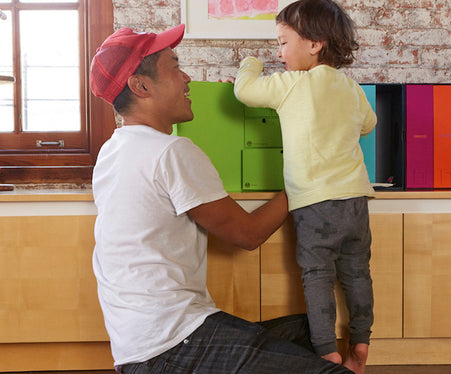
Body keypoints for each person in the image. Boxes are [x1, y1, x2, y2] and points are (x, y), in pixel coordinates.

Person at [89, 24, 353, 374]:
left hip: (138, 347)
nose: (186, 77)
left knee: (310, 331)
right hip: (172, 345)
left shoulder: (113, 150)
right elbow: (247, 234)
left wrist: (234, 100)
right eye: (174, 66)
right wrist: (306, 179)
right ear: (141, 86)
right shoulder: (170, 151)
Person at [234, 1, 377, 373]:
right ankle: (360, 340)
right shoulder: (350, 86)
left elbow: (245, 92)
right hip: (355, 201)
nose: (278, 52)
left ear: (314, 44)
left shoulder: (291, 84)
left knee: (317, 276)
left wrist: (250, 64)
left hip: (314, 203)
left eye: (282, 42)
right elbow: (368, 123)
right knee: (357, 272)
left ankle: (327, 351)